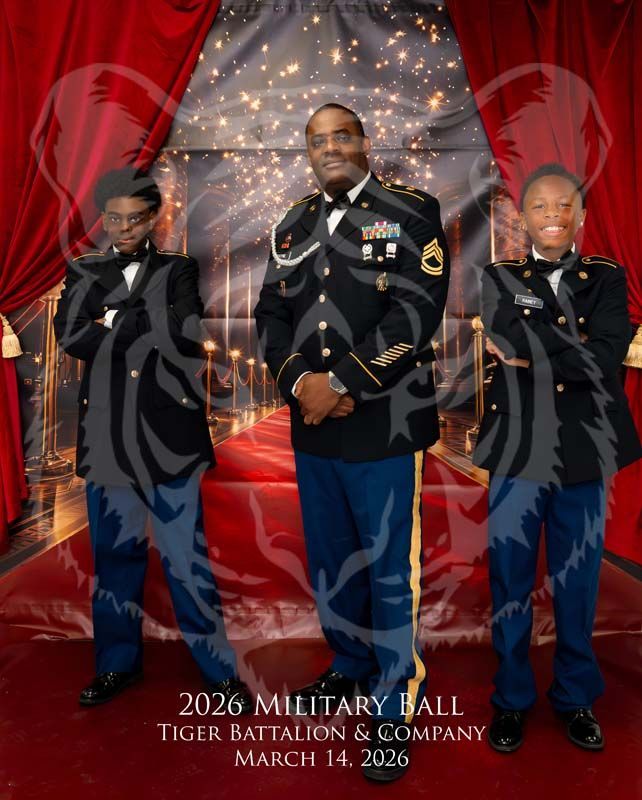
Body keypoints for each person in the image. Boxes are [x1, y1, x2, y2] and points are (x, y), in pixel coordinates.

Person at [254, 104, 450, 782]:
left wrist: (339, 382)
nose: (330, 147)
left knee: (390, 567)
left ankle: (394, 702)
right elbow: (269, 314)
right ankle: (350, 662)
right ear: (307, 151)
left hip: (384, 421)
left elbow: (417, 311)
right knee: (332, 559)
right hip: (314, 424)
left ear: (364, 142)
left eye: (342, 136)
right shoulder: (293, 224)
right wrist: (300, 383)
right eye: (317, 140)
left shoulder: (409, 211)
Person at [53, 167, 253, 711]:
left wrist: (108, 321)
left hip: (170, 435)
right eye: (114, 219)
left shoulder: (179, 267)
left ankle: (219, 672)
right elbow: (71, 335)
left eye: (135, 218)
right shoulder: (84, 269)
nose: (123, 228)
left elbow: (184, 333)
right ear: (103, 219)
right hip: (108, 436)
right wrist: (145, 323)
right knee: (114, 558)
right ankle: (116, 665)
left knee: (187, 561)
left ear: (152, 218)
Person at [473, 163, 642, 753]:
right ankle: (511, 697)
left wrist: (536, 351)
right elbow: (510, 340)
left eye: (564, 205)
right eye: (540, 206)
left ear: (582, 216)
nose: (552, 215)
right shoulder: (497, 276)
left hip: (584, 447)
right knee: (510, 578)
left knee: (578, 581)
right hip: (517, 447)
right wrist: (575, 347)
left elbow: (607, 357)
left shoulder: (608, 277)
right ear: (522, 217)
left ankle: (574, 697)